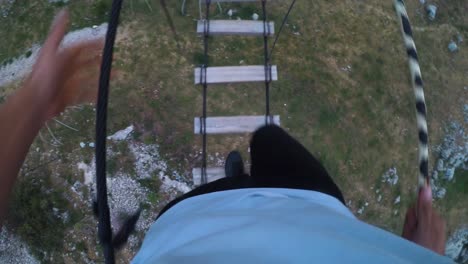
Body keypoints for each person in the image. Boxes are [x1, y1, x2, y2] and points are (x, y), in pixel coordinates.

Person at [0, 11, 450, 264]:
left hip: (202, 225)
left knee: (269, 142)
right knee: (269, 142)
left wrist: (33, 101)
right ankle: (242, 180)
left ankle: (243, 180)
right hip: (196, 224)